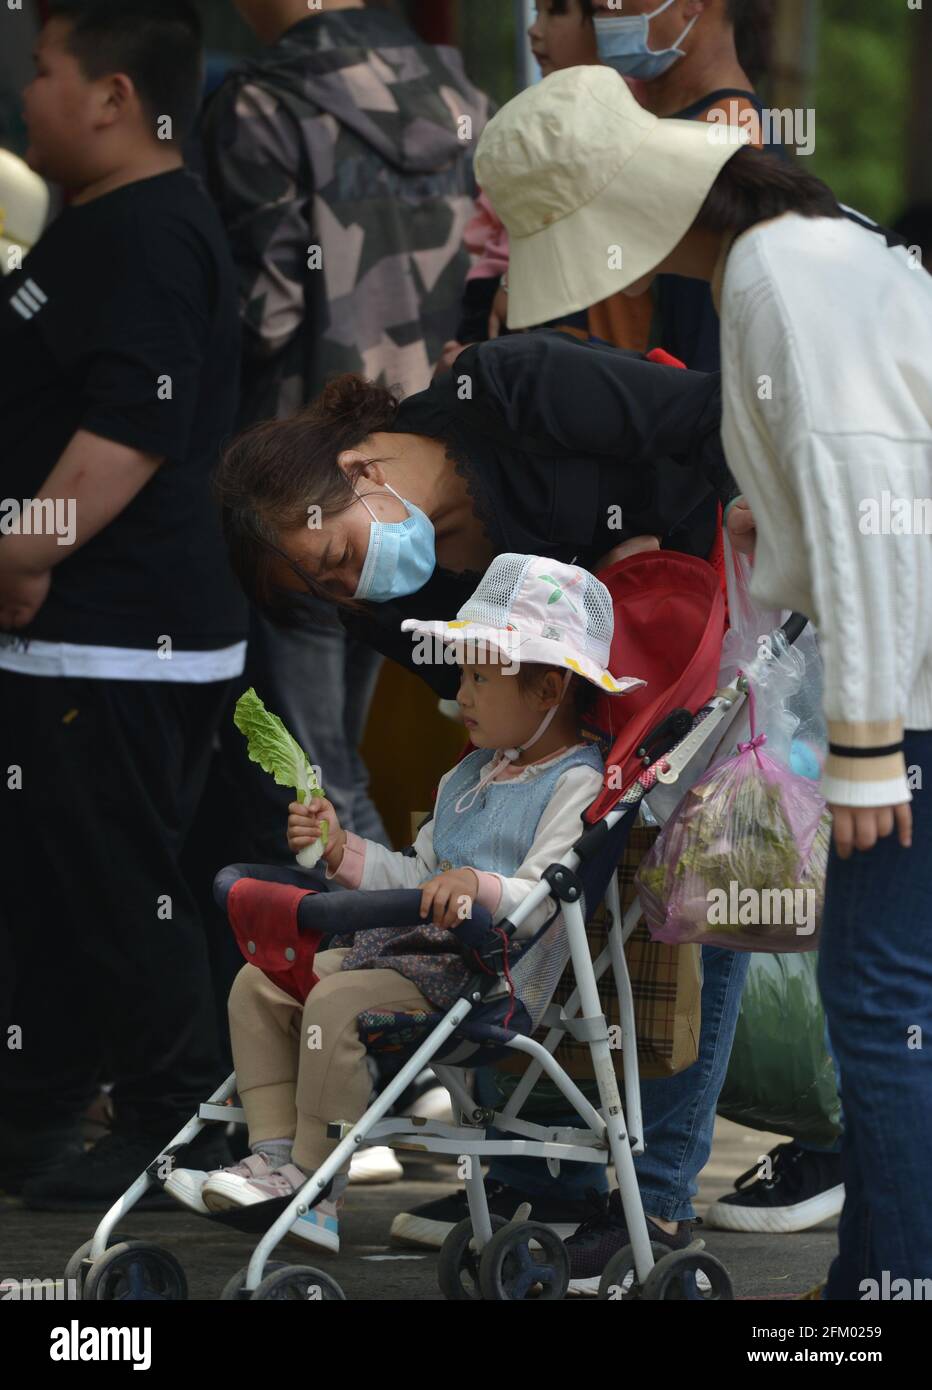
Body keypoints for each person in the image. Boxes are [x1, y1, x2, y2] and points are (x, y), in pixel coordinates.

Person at [473, 61, 932, 1296]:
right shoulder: (800, 249)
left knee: (882, 1001)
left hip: (905, 683)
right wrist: (765, 539)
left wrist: (864, 738)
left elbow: (868, 498)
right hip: (898, 670)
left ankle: (894, 1286)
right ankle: (871, 1282)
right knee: (880, 994)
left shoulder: (778, 277)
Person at [212, 327, 741, 1266]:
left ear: (360, 467)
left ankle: (650, 1197)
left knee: (674, 892)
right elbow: (480, 744)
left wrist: (646, 539)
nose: (345, 589)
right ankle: (542, 1178)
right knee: (547, 906)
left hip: (695, 625)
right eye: (324, 591)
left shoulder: (510, 389)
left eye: (335, 555)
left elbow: (706, 417)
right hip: (563, 735)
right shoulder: (393, 608)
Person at [164, 554, 631, 1252]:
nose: (459, 693)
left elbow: (544, 892)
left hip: (486, 978)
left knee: (335, 1000)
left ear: (547, 689)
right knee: (258, 986)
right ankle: (273, 1155)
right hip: (406, 962)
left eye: (478, 676)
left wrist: (477, 886)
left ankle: (316, 1187)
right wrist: (340, 850)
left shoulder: (575, 782)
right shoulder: (468, 776)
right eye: (462, 674)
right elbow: (413, 873)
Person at [0, 0, 247, 1206]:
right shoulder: (92, 222)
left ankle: (177, 1118)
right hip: (80, 642)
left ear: (110, 95)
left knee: (119, 889)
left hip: (119, 637)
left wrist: (25, 550)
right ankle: (37, 1107)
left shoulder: (152, 231)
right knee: (52, 888)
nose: (25, 89)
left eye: (43, 69)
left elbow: (130, 427)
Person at [198, 0, 491, 862]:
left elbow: (269, 308)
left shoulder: (260, 103)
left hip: (304, 481)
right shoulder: (460, 90)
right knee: (341, 759)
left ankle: (355, 973)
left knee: (307, 777)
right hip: (423, 470)